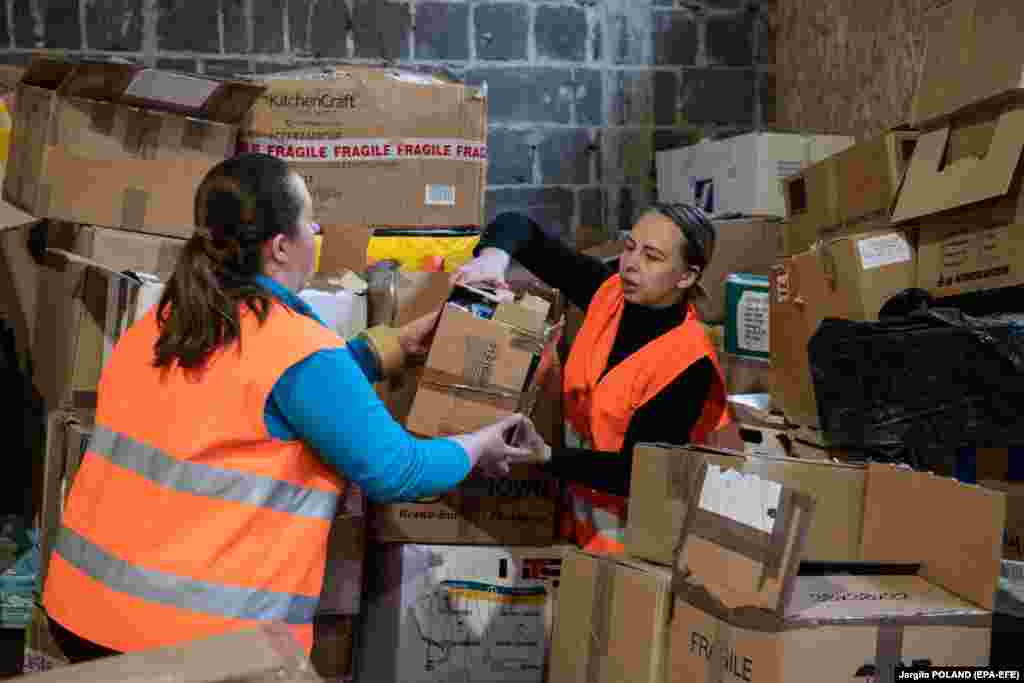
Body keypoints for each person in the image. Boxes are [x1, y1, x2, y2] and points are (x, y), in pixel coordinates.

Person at [41, 153, 542, 661]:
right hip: (188, 646)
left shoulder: (169, 318)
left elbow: (256, 393)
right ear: (280, 247)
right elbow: (400, 470)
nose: (318, 229)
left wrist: (388, 348)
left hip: (82, 613)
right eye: (309, 219)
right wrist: (480, 444)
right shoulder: (296, 349)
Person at [454, 203, 742, 556]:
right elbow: (517, 225)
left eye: (652, 257)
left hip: (644, 541)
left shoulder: (688, 364)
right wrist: (493, 259)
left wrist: (546, 455)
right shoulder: (609, 295)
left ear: (686, 276)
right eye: (630, 247)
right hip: (583, 516)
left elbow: (635, 472)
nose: (631, 264)